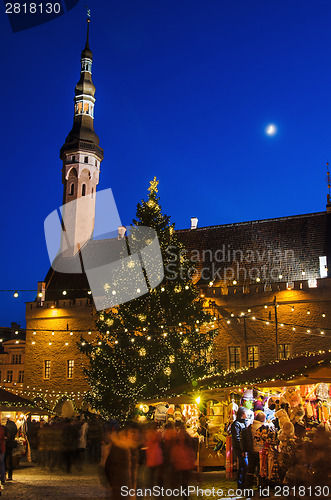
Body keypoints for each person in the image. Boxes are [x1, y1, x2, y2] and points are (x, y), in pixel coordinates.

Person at [243, 411, 267, 488]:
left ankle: (248, 488)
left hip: (251, 451)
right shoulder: (262, 428)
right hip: (260, 452)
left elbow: (246, 440)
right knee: (261, 470)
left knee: (250, 470)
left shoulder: (250, 427)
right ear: (263, 419)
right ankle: (262, 489)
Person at [231, 406, 248, 489]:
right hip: (240, 449)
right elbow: (237, 438)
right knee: (244, 466)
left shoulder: (244, 423)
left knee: (242, 466)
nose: (247, 415)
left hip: (243, 449)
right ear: (242, 414)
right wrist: (241, 450)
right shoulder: (236, 424)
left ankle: (242, 485)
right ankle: (241, 484)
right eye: (246, 413)